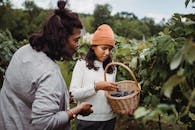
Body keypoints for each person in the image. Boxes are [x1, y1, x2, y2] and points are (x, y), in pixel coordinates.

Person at [0, 0, 93, 130]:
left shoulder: (23, 51)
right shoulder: (50, 74)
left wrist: (63, 98)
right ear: (61, 38)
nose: (78, 45)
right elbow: (43, 122)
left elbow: (31, 91)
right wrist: (76, 110)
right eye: (76, 40)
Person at [69, 24, 118, 130]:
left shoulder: (112, 67)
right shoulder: (82, 64)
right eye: (104, 48)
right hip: (87, 121)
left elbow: (111, 96)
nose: (107, 53)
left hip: (109, 120)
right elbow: (73, 94)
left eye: (110, 49)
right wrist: (96, 87)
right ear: (93, 47)